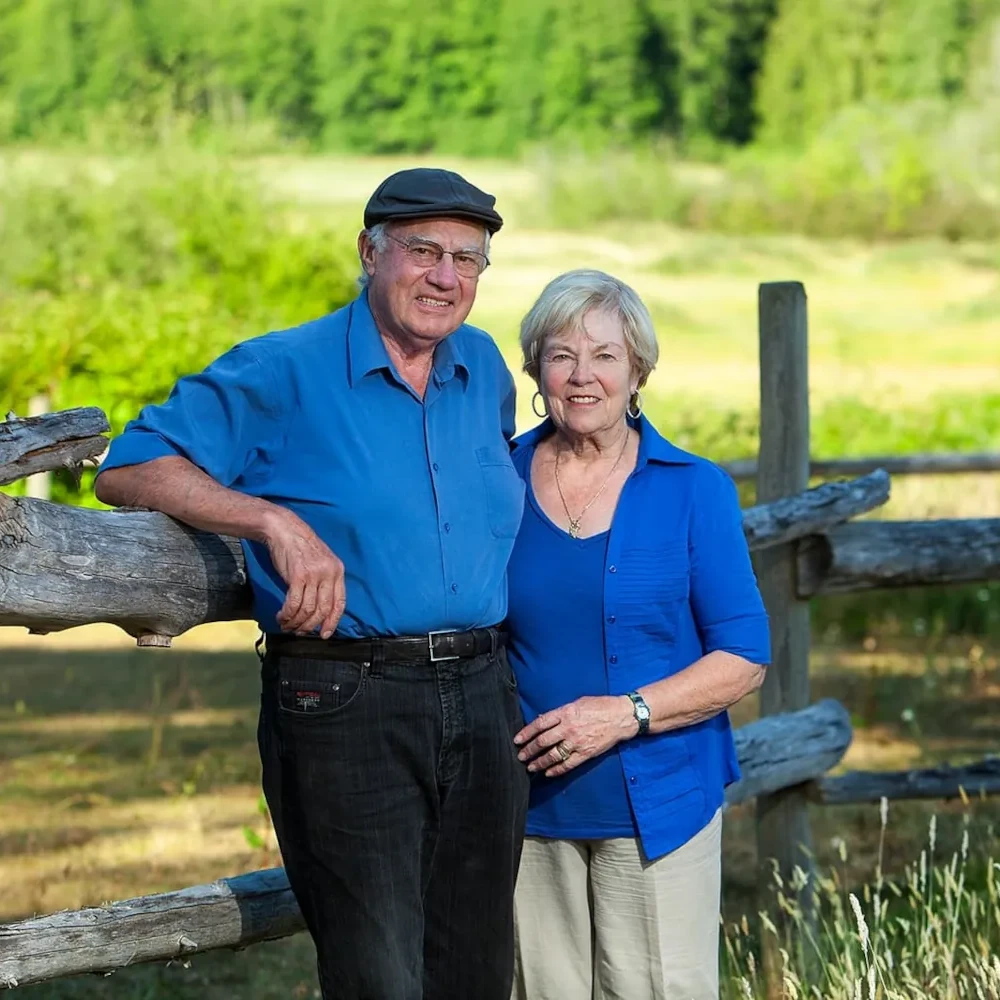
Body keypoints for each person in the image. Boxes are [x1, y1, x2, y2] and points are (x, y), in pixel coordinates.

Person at [94, 168, 529, 1000]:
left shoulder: (482, 367)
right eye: (423, 252)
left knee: (474, 970)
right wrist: (271, 522)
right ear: (370, 252)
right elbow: (132, 464)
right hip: (343, 696)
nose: (446, 277)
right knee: (379, 975)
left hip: (482, 694)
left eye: (468, 261)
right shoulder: (285, 368)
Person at [505, 269, 771, 1000]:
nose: (582, 376)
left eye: (604, 356)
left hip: (659, 804)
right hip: (524, 809)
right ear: (535, 368)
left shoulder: (693, 487)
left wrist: (624, 715)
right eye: (561, 355)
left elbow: (744, 656)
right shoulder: (496, 479)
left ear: (638, 370)